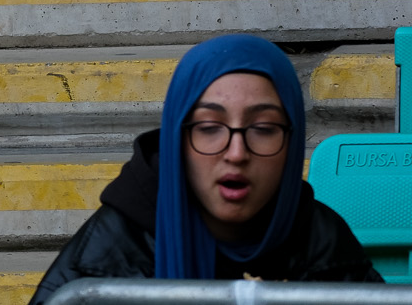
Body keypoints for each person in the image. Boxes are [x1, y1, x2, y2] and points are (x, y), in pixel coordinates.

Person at [30, 33, 383, 302]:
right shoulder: (112, 249)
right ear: (177, 141)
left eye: (263, 128)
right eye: (210, 127)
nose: (236, 153)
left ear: (292, 143)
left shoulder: (321, 240)